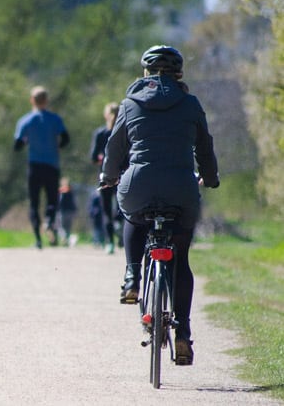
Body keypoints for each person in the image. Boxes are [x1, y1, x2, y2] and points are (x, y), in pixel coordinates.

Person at [100, 45, 219, 365]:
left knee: (133, 215)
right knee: (181, 259)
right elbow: (204, 148)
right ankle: (183, 333)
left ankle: (132, 277)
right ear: (179, 74)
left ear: (145, 73)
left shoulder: (129, 103)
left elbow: (114, 149)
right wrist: (210, 177)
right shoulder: (191, 104)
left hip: (138, 186)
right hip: (181, 189)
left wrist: (108, 177)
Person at [14, 86, 70, 249]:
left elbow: (17, 145)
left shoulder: (25, 121)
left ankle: (38, 240)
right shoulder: (55, 119)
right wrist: (56, 145)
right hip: (52, 165)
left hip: (34, 166)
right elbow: (66, 139)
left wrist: (26, 141)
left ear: (32, 100)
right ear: (46, 101)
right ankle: (49, 220)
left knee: (34, 202)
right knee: (52, 199)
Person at [90, 102, 121, 254]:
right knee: (123, 207)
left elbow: (93, 157)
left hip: (105, 176)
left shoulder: (100, 133)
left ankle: (110, 242)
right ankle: (119, 225)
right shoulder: (124, 132)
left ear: (105, 115)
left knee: (107, 211)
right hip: (122, 175)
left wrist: (102, 159)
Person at [57, 177, 78, 247]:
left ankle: (65, 239)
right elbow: (73, 202)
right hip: (70, 212)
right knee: (68, 228)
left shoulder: (61, 191)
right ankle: (67, 241)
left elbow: (59, 202)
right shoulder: (71, 191)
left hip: (63, 212)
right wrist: (75, 210)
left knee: (61, 227)